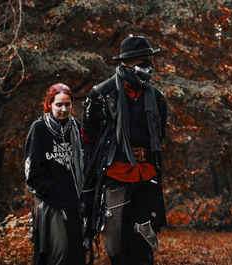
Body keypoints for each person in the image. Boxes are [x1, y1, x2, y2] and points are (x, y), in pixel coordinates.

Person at [81, 36, 167, 265]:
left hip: (147, 176)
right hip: (115, 176)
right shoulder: (101, 93)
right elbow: (89, 138)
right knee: (116, 246)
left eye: (149, 61)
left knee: (144, 244)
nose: (148, 67)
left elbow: (159, 136)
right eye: (142, 61)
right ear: (126, 64)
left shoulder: (157, 98)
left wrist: (144, 154)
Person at [24, 83, 84, 265]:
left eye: (67, 104)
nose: (64, 109)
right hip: (51, 205)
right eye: (59, 104)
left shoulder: (77, 128)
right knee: (57, 256)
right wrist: (60, 197)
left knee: (77, 256)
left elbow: (86, 166)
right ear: (49, 104)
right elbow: (33, 175)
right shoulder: (39, 129)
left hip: (77, 205)